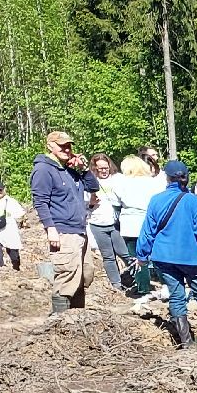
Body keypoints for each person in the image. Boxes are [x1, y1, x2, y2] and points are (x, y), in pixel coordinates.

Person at [137, 159, 197, 348]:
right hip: (192, 259)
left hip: (164, 258)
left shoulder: (156, 200)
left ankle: (186, 342)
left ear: (166, 178)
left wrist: (142, 255)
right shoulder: (193, 201)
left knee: (176, 297)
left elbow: (147, 231)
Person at [28, 130, 100, 313]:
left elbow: (93, 187)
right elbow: (40, 201)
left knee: (84, 274)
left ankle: (76, 317)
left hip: (79, 230)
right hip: (62, 231)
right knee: (67, 274)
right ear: (50, 146)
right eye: (62, 146)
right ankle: (60, 321)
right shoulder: (43, 169)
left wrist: (83, 169)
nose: (67, 149)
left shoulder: (68, 170)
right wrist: (50, 229)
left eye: (69, 146)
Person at [111, 155, 167, 300]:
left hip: (131, 224)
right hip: (151, 223)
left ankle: (143, 289)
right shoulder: (155, 183)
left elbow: (116, 205)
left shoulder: (121, 183)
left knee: (137, 258)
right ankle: (167, 285)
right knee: (157, 256)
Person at [86, 154, 132, 290]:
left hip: (116, 222)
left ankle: (135, 279)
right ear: (94, 169)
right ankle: (116, 284)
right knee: (108, 256)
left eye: (106, 168)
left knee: (124, 252)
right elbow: (83, 206)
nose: (104, 171)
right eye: (100, 169)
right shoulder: (89, 182)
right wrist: (90, 203)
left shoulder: (118, 179)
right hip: (97, 223)